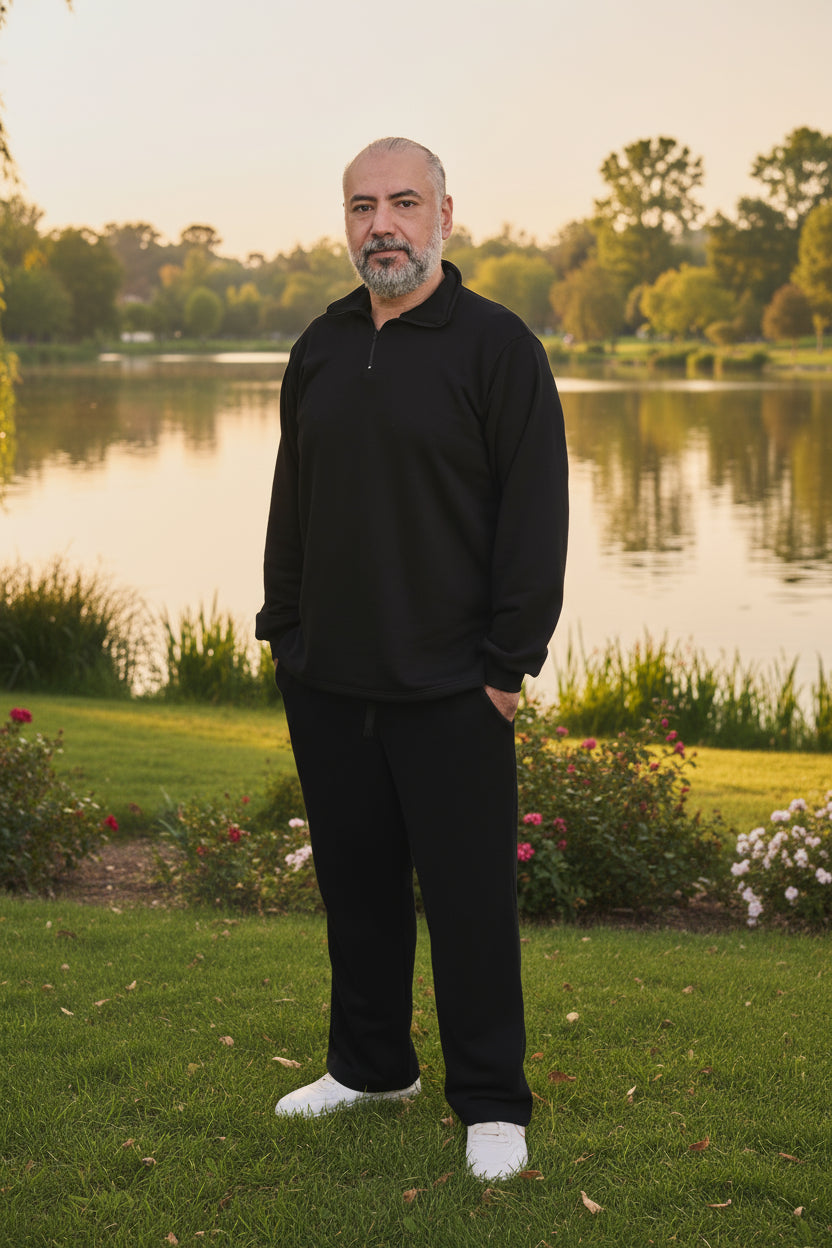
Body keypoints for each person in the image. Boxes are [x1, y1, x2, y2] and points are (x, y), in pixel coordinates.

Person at [255, 137, 568, 1181]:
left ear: (444, 215)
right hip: (329, 678)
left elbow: (534, 519)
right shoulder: (323, 346)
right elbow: (291, 501)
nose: (379, 224)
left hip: (453, 687)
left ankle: (491, 1103)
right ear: (345, 223)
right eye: (361, 206)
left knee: (471, 899)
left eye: (401, 203)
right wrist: (284, 634)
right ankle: (369, 1066)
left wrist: (504, 665)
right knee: (357, 889)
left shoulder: (496, 347)